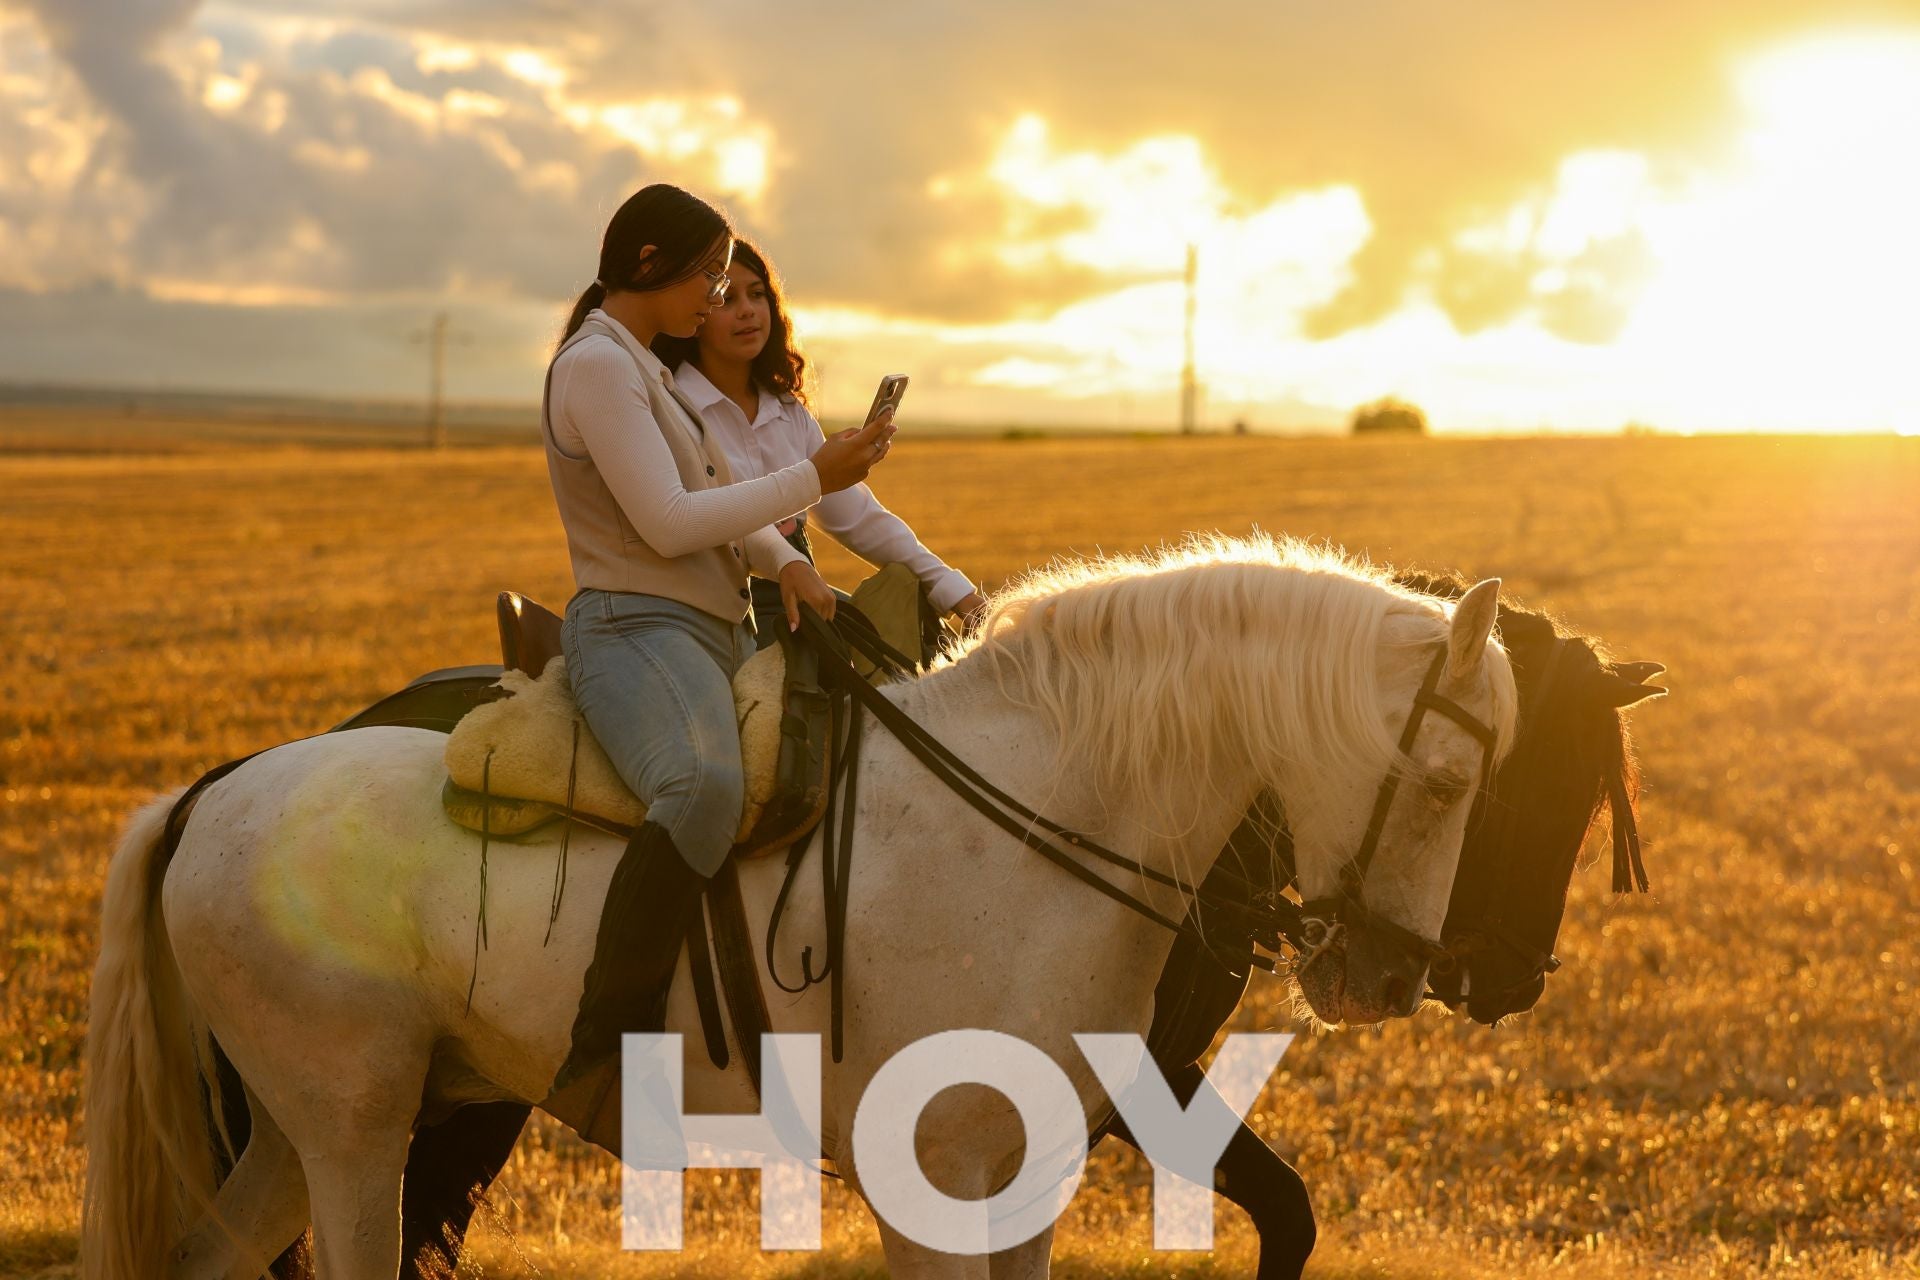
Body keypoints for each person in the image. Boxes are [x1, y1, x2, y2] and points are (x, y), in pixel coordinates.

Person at [540, 184, 896, 1099]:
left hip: (711, 626)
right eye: (707, 274)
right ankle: (607, 1044)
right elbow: (667, 523)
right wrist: (813, 476)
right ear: (650, 266)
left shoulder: (645, 370)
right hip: (635, 627)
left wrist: (782, 563)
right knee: (702, 787)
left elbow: (712, 506)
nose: (716, 295)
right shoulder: (597, 368)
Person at [651, 239, 987, 641]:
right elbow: (716, 520)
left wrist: (960, 596)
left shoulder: (788, 411)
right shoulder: (673, 406)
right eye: (726, 297)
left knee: (921, 647)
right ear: (696, 311)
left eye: (758, 294)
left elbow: (859, 518)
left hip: (803, 597)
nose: (747, 310)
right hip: (714, 611)